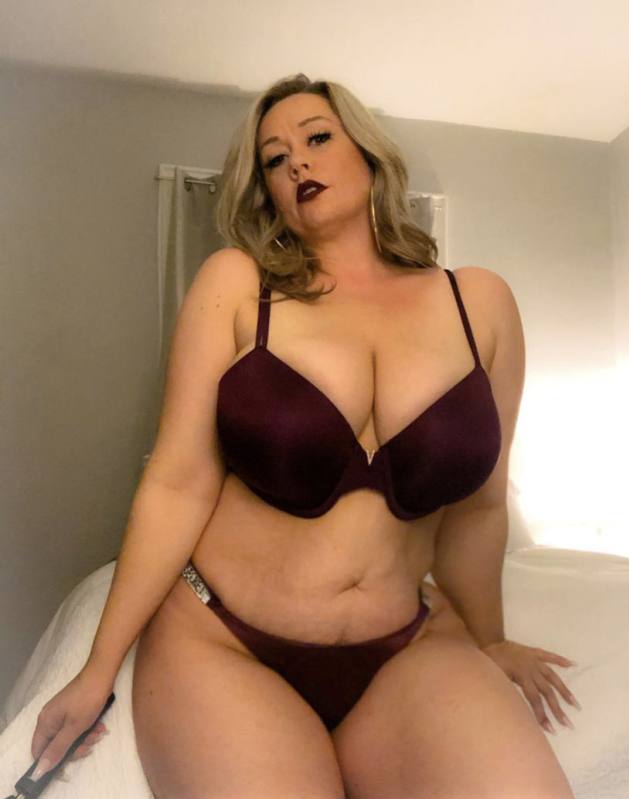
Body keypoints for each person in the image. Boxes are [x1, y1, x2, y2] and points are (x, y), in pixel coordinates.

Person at [29, 73, 578, 798]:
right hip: (225, 643)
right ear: (267, 192)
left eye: (317, 137)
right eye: (275, 158)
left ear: (369, 155)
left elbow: (479, 507)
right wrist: (97, 669)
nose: (298, 163)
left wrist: (491, 639)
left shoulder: (480, 302)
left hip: (407, 647)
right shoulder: (238, 286)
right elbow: (178, 483)